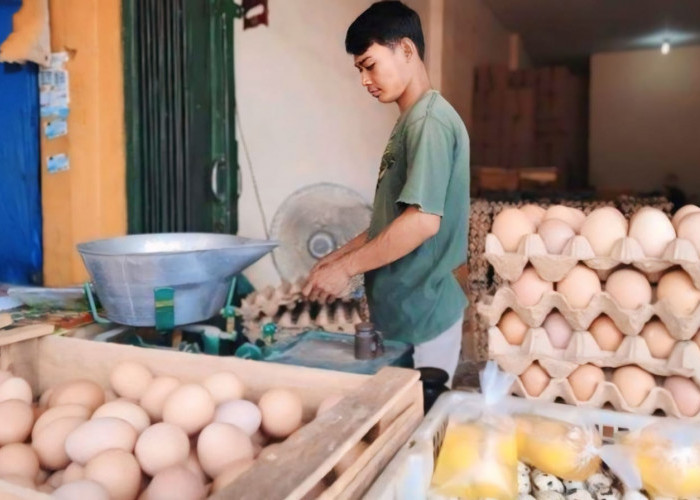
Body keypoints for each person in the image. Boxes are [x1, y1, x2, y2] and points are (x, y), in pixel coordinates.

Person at [302, 1, 469, 386]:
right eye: (359, 69)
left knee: (415, 429)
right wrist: (335, 259)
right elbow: (391, 223)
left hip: (423, 315)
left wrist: (347, 269)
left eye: (370, 64)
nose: (364, 79)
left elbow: (423, 222)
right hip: (401, 313)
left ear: (406, 50)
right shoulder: (410, 122)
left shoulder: (430, 122)